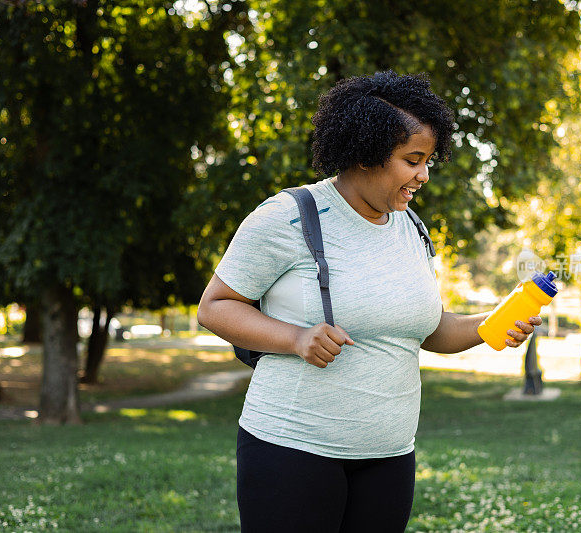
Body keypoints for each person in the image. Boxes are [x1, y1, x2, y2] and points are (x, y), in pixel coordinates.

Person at [197, 71, 541, 533]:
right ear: (364, 153)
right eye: (412, 160)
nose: (423, 174)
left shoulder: (411, 228)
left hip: (389, 456)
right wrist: (296, 338)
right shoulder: (289, 217)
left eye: (428, 161)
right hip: (293, 450)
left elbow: (428, 328)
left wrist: (493, 323)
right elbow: (215, 306)